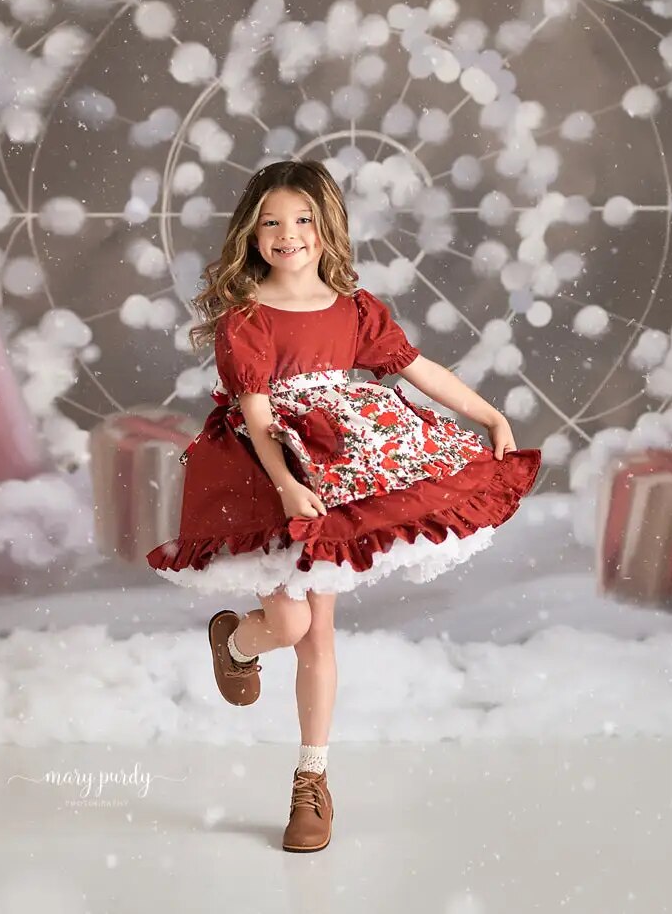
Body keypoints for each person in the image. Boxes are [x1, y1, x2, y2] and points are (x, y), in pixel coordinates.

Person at [147, 159, 541, 852]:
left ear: (328, 228)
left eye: (302, 220)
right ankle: (236, 640)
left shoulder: (356, 310)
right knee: (290, 624)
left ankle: (311, 781)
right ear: (251, 234)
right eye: (270, 222)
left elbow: (419, 370)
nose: (287, 234)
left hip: (341, 469)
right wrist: (286, 482)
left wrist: (488, 416)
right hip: (268, 471)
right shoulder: (246, 319)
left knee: (318, 634)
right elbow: (256, 408)